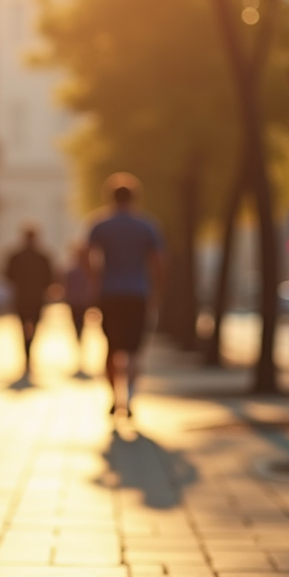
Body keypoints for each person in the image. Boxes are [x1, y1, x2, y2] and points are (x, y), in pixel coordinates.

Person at [84, 173, 166, 418]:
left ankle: (113, 397)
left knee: (111, 347)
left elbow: (84, 254)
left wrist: (95, 280)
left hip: (109, 294)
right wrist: (156, 290)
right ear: (135, 197)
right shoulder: (147, 225)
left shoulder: (99, 224)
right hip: (137, 294)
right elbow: (160, 261)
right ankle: (129, 395)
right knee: (134, 349)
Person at [4, 226, 53, 376]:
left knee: (24, 328)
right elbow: (50, 277)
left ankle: (27, 357)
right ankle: (28, 356)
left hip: (22, 298)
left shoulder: (16, 256)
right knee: (32, 328)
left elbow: (7, 275)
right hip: (35, 298)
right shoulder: (42, 257)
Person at [63, 243, 95, 376]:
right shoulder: (75, 271)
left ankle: (81, 356)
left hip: (80, 304)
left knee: (80, 329)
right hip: (78, 303)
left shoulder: (78, 271)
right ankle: (79, 356)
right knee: (79, 329)